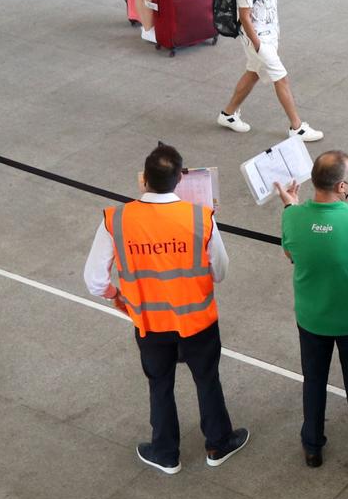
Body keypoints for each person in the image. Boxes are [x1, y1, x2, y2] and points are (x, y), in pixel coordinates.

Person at [81, 141, 248, 475]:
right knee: (207, 380)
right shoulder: (201, 218)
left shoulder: (117, 220)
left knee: (159, 384)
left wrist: (117, 294)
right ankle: (218, 443)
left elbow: (94, 280)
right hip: (198, 322)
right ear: (180, 182)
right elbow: (221, 272)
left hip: (149, 322)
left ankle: (165, 451)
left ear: (143, 179)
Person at [277, 150, 348, 473]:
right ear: (342, 187)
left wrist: (289, 205)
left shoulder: (292, 217)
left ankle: (312, 446)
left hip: (312, 319)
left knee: (313, 379)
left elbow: (290, 252)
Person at [215, 0, 322, 144]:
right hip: (258, 37)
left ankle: (228, 114)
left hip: (270, 33)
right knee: (281, 78)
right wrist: (258, 45)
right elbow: (244, 16)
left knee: (253, 72)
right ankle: (297, 127)